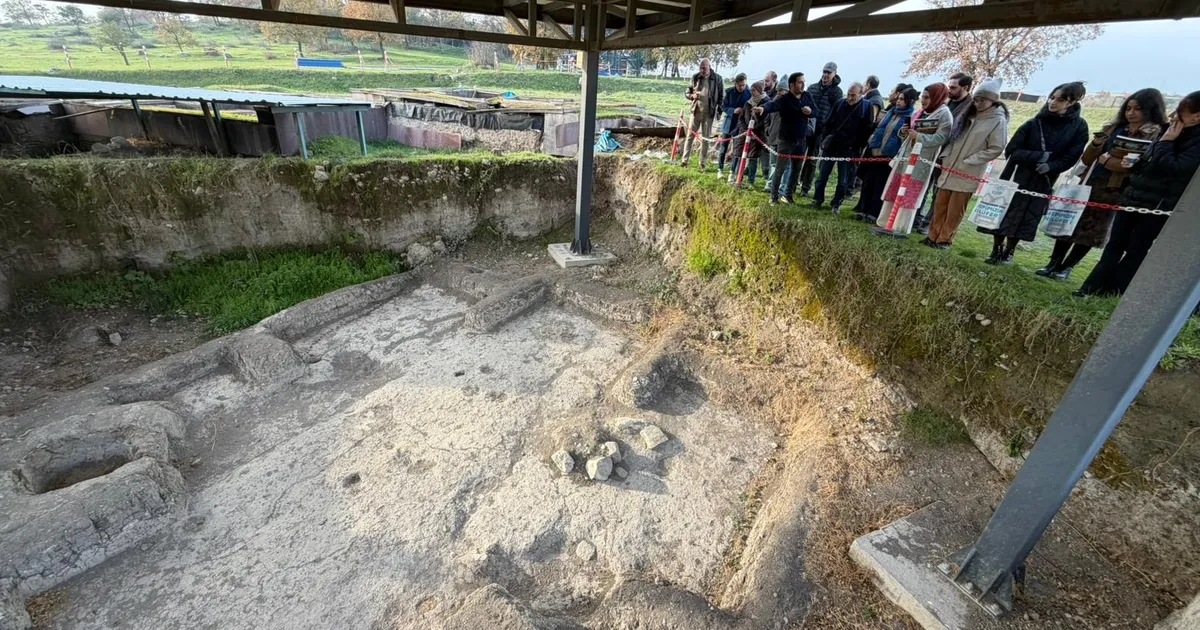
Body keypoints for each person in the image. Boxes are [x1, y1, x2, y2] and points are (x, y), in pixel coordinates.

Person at [1077, 90, 1200, 296]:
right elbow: (1150, 159)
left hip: (1158, 204)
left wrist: (1167, 143)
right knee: (1114, 244)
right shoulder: (1169, 131)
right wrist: (1134, 164)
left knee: (1137, 249)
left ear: (1197, 116)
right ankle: (1089, 287)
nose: (1173, 117)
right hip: (1133, 195)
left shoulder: (1188, 140)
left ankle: (1112, 292)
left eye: (1181, 112)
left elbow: (1175, 167)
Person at [1039, 89, 1167, 280]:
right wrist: (1099, 148)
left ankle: (1067, 266)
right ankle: (1053, 262)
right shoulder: (1113, 128)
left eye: (1138, 109)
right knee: (1070, 221)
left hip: (1116, 188)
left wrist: (1108, 160)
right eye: (1128, 108)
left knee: (1094, 229)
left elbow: (1134, 165)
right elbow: (1089, 157)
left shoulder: (1155, 134)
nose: (1131, 113)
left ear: (1150, 110)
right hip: (1091, 180)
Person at [978, 82, 1089, 264]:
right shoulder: (1035, 122)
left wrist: (1052, 166)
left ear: (1072, 102)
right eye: (1052, 98)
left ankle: (1009, 252)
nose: (1053, 102)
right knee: (1004, 211)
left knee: (1027, 217)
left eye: (1060, 99)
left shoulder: (1079, 127)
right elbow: (1012, 150)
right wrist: (1038, 156)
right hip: (1017, 175)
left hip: (1043, 180)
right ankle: (996, 250)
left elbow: (1072, 155)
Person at [924, 78, 1009, 248]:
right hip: (950, 166)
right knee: (940, 204)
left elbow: (996, 148)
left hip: (968, 171)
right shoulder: (968, 115)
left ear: (993, 100)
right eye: (976, 99)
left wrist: (970, 161)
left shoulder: (998, 121)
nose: (978, 103)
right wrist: (946, 155)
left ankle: (944, 239)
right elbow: (954, 138)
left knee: (955, 210)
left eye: (982, 100)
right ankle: (932, 236)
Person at [874, 83, 953, 233]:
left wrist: (919, 137)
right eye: (922, 97)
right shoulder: (921, 111)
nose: (923, 101)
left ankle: (900, 225)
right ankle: (886, 220)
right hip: (906, 156)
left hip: (921, 159)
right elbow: (912, 130)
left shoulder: (944, 114)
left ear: (936, 97)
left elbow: (942, 137)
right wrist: (905, 132)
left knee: (910, 191)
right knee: (896, 187)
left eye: (927, 97)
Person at [915, 72, 975, 234]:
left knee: (938, 190)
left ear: (966, 88)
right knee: (924, 184)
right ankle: (917, 216)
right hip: (932, 150)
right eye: (949, 87)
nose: (949, 90)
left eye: (954, 87)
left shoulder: (970, 107)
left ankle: (929, 223)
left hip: (949, 153)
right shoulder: (945, 103)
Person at [754, 71, 816, 205]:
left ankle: (788, 195)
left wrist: (810, 112)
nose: (803, 84)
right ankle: (774, 197)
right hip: (786, 140)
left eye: (804, 82)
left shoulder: (807, 96)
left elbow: (815, 111)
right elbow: (772, 105)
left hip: (801, 140)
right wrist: (763, 109)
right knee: (780, 169)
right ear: (792, 85)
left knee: (796, 170)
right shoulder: (784, 98)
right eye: (800, 82)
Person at [856, 87, 917, 222]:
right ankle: (862, 210)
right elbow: (880, 128)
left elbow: (903, 137)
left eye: (902, 99)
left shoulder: (910, 117)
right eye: (899, 98)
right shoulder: (891, 112)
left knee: (880, 184)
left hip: (889, 155)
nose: (899, 101)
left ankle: (873, 213)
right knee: (868, 182)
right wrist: (872, 139)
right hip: (875, 151)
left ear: (909, 101)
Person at [813, 82, 872, 214]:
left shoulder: (866, 107)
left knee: (843, 180)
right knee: (822, 175)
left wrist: (857, 146)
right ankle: (817, 199)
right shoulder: (840, 103)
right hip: (832, 145)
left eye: (853, 95)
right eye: (849, 95)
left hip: (849, 149)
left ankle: (836, 203)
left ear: (861, 94)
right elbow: (829, 122)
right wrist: (826, 138)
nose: (850, 98)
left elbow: (867, 129)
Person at [799, 61, 844, 197]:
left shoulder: (837, 92)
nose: (825, 75)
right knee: (799, 156)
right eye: (824, 72)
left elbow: (837, 113)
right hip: (806, 127)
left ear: (834, 74)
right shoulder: (812, 88)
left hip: (821, 131)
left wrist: (828, 129)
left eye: (828, 73)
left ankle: (805, 188)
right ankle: (795, 183)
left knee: (812, 160)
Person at [680, 58, 724, 170]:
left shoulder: (718, 79)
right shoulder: (695, 77)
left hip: (709, 113)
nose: (702, 70)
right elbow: (687, 92)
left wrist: (719, 111)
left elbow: (721, 97)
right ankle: (684, 161)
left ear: (710, 66)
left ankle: (702, 164)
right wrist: (691, 96)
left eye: (704, 68)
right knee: (689, 136)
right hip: (695, 111)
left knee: (705, 139)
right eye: (700, 68)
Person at [727, 81, 768, 186]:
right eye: (751, 90)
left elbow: (766, 120)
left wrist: (753, 130)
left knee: (753, 158)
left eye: (754, 90)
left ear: (759, 90)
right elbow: (741, 118)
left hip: (757, 134)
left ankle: (751, 181)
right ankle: (736, 176)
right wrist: (745, 129)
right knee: (738, 154)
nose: (752, 92)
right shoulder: (748, 103)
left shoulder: (766, 103)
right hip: (744, 133)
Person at [717, 73, 750, 178]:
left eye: (743, 85)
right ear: (735, 83)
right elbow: (723, 106)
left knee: (737, 149)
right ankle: (720, 169)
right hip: (729, 122)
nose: (741, 87)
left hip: (740, 125)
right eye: (740, 85)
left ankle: (732, 172)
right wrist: (733, 110)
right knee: (723, 148)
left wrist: (743, 111)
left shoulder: (748, 94)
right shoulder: (729, 92)